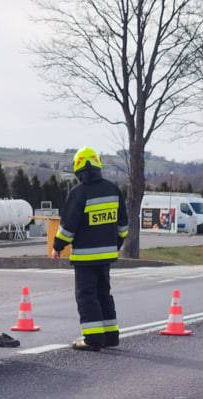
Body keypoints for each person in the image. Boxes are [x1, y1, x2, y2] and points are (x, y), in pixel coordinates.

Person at [52, 147, 128, 351]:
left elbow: (68, 227)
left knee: (87, 296)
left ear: (78, 170)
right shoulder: (113, 189)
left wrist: (57, 246)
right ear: (98, 165)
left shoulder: (79, 193)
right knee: (104, 293)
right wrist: (116, 244)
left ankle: (93, 338)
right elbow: (123, 226)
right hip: (107, 256)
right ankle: (111, 336)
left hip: (85, 258)